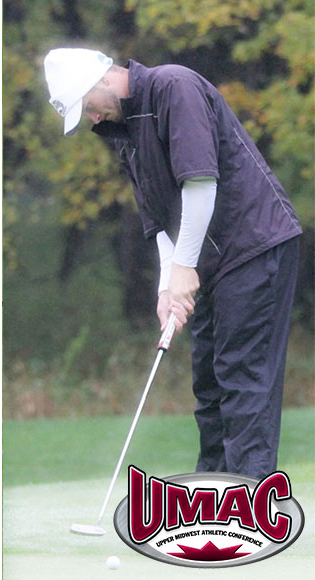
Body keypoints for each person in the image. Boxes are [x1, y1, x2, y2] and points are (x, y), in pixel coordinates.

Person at [43, 48, 302, 479]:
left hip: (255, 245)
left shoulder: (173, 86)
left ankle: (251, 509)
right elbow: (161, 221)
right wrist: (168, 285)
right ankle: (215, 501)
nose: (91, 120)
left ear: (103, 79)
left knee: (242, 382)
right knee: (209, 386)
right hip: (210, 263)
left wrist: (184, 269)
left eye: (87, 107)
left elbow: (200, 182)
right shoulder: (126, 133)